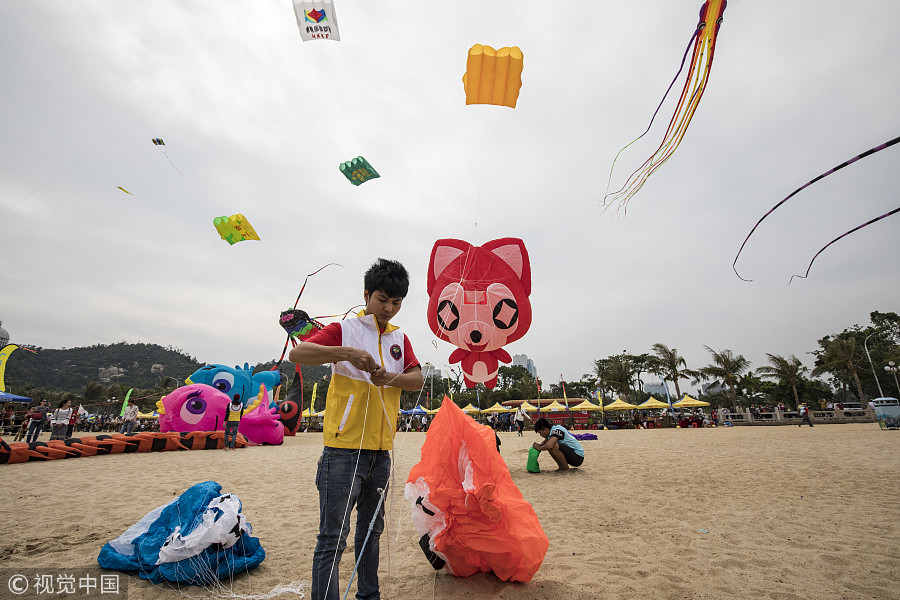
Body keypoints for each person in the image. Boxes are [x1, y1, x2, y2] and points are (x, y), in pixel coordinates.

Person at [289, 258, 424, 600]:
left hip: (381, 454)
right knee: (332, 537)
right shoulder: (344, 329)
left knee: (371, 532)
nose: (388, 308)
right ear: (366, 294)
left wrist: (388, 377)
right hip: (342, 451)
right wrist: (346, 353)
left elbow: (417, 378)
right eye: (382, 300)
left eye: (396, 303)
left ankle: (369, 595)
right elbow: (300, 354)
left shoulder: (400, 338)